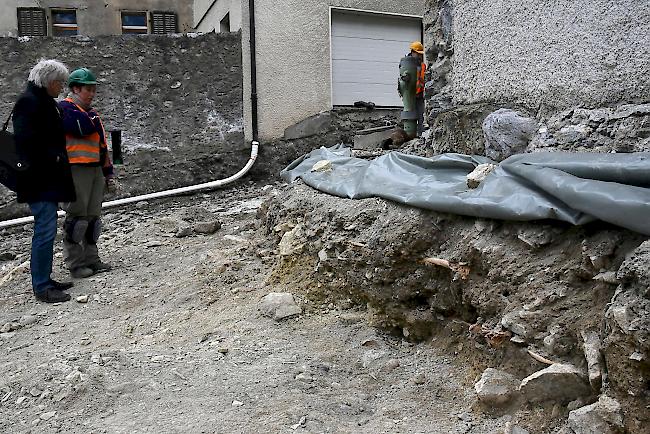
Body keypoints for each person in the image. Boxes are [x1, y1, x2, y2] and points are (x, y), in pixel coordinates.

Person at [13, 59, 76, 303]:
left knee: (47, 230)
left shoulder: (41, 101)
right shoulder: (29, 102)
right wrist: (55, 156)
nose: (62, 87)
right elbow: (26, 142)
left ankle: (45, 279)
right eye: (60, 83)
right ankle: (41, 285)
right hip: (39, 180)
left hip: (44, 178)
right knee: (44, 230)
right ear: (50, 82)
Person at [59, 68, 115, 279]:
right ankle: (75, 264)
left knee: (92, 219)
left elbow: (102, 146)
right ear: (75, 89)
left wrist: (108, 173)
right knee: (77, 219)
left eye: (93, 90)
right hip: (75, 170)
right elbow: (80, 128)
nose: (91, 94)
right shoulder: (64, 109)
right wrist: (90, 119)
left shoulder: (90, 114)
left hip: (94, 170)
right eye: (87, 90)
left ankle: (92, 259)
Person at [408, 41, 427, 137]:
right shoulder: (406, 64)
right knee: (411, 115)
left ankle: (420, 134)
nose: (419, 56)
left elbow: (424, 79)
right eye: (418, 53)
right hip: (410, 94)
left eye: (420, 54)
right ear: (413, 52)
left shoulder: (423, 65)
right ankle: (411, 134)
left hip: (420, 94)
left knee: (421, 115)